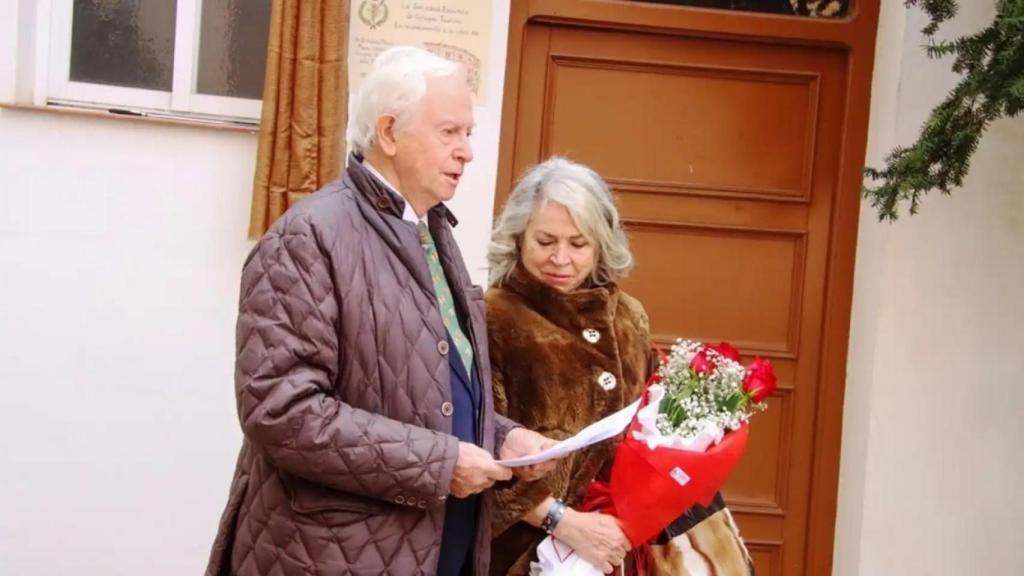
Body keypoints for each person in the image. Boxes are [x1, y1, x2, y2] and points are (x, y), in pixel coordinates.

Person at [206, 46, 557, 576]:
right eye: (449, 133)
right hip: (332, 555)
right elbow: (281, 411)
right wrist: (438, 464)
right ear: (389, 133)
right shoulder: (309, 237)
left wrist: (502, 436)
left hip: (436, 543)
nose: (467, 152)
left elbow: (427, 388)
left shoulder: (431, 229)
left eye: (469, 134)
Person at [485, 157, 753, 575]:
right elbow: (476, 447)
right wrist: (564, 522)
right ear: (519, 238)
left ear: (601, 244)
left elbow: (653, 437)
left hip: (626, 552)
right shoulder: (492, 317)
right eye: (545, 241)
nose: (561, 258)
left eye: (578, 244)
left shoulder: (629, 316)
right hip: (525, 555)